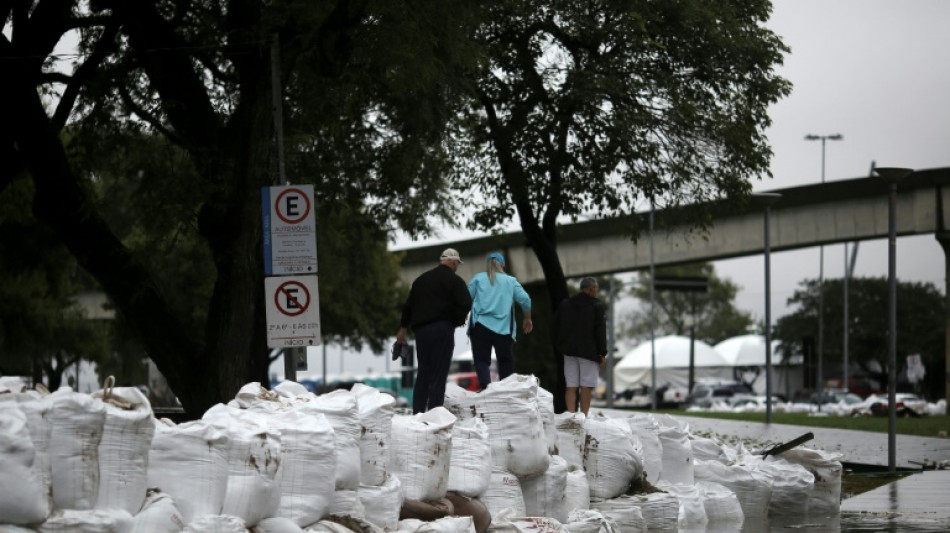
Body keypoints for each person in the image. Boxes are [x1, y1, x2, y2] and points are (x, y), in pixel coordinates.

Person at [396, 248, 472, 414]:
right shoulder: (454, 280)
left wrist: (403, 329)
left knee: (423, 373)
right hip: (442, 329)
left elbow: (408, 307)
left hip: (421, 332)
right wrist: (456, 320)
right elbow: (466, 303)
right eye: (457, 263)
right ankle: (435, 416)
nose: (457, 266)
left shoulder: (420, 281)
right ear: (452, 261)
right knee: (438, 375)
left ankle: (417, 414)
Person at [467, 252, 533, 390]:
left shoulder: (478, 279)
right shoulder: (511, 281)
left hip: (480, 326)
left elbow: (466, 298)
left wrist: (461, 317)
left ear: (487, 265)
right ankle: (506, 390)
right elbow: (525, 300)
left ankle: (486, 387)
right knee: (505, 360)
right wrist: (527, 318)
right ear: (503, 265)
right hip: (503, 329)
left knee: (481, 360)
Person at [554, 277, 607, 416]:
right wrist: (602, 353)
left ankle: (571, 416)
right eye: (596, 288)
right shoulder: (596, 306)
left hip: (569, 352)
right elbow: (600, 330)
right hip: (588, 353)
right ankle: (583, 417)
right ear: (591, 289)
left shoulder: (565, 304)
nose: (597, 292)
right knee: (586, 386)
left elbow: (556, 326)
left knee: (571, 385)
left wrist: (561, 346)